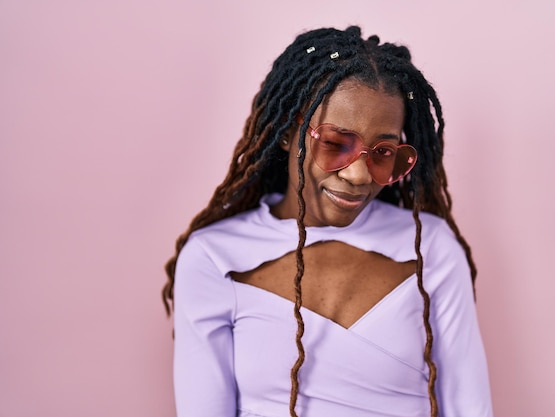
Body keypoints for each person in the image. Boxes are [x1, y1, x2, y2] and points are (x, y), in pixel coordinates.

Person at [162, 26, 493, 417]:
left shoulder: (430, 246)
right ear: (287, 133)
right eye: (335, 144)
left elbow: (469, 407)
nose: (359, 176)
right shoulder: (214, 257)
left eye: (384, 152)